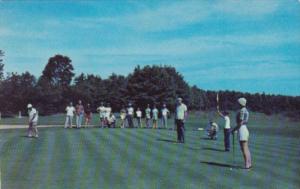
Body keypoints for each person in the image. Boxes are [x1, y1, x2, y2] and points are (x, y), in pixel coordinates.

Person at [231, 97, 252, 169]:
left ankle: (247, 164)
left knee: (244, 148)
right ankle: (249, 163)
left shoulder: (242, 111)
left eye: (238, 103)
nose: (236, 104)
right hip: (244, 129)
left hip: (242, 129)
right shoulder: (245, 110)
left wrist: (234, 129)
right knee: (246, 147)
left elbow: (240, 123)